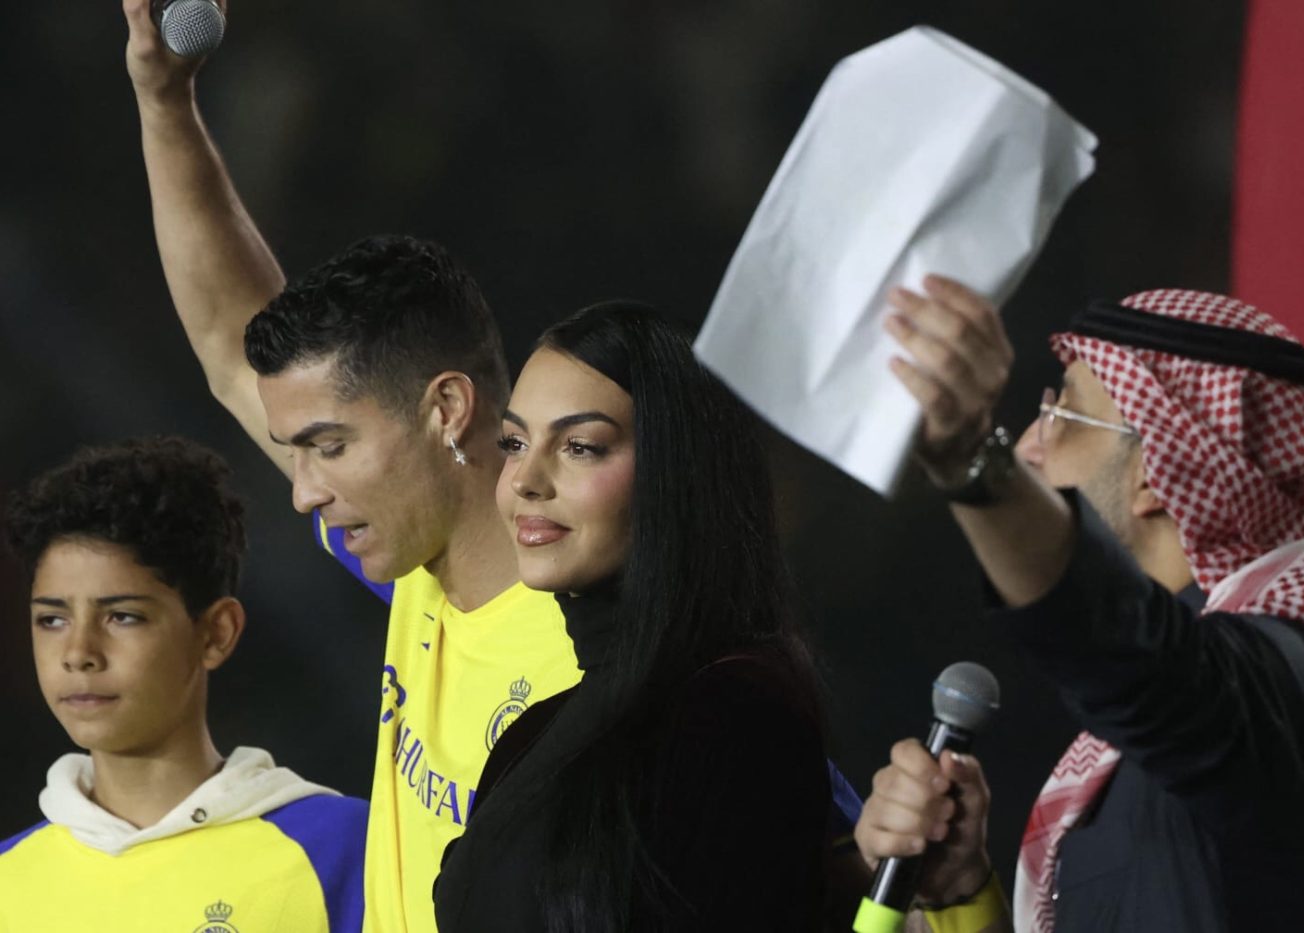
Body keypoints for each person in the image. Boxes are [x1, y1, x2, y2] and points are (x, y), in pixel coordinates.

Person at [120, 6, 863, 930]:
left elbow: (852, 860)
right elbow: (231, 348)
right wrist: (165, 102)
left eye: (331, 446)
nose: (304, 488)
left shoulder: (636, 662)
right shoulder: (412, 561)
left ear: (445, 411)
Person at [853, 279, 1304, 932]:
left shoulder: (1287, 684)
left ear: (1158, 472)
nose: (1026, 447)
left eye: (1064, 417)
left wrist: (973, 458)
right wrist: (961, 892)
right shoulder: (1136, 746)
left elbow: (1130, 651)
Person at [432, 301, 829, 930]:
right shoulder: (530, 737)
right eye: (514, 443)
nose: (526, 479)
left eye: (580, 447)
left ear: (679, 471)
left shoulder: (736, 715)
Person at [0, 437, 367, 933]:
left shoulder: (342, 849)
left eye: (122, 616)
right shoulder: (9, 879)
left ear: (216, 633)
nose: (78, 652)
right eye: (52, 620)